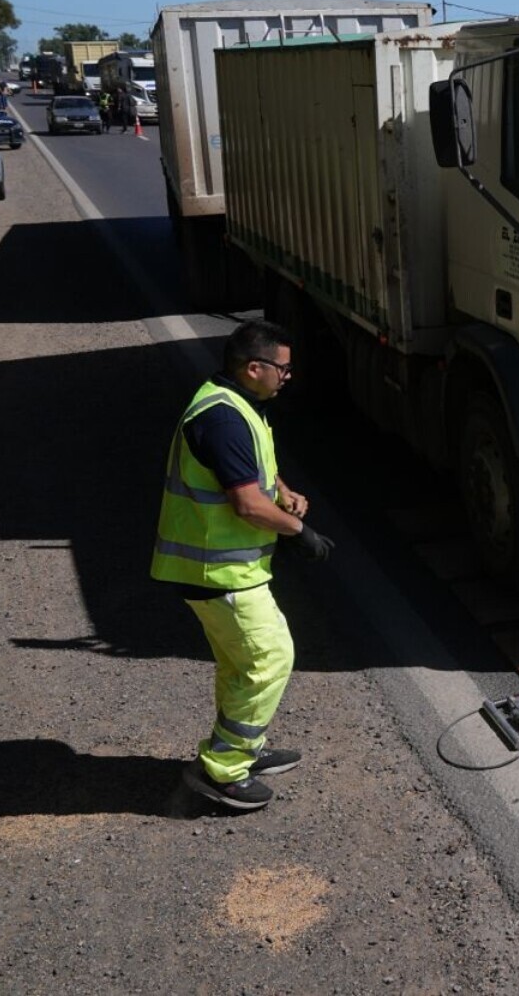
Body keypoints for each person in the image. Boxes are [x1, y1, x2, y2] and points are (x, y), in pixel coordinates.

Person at [152, 321, 335, 810]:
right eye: (283, 368)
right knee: (269, 657)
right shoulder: (224, 418)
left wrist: (285, 491)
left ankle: (242, 750)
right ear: (254, 368)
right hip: (216, 570)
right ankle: (223, 771)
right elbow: (247, 505)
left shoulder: (235, 403)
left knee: (240, 663)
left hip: (224, 568)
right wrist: (300, 532)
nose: (288, 376)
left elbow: (253, 475)